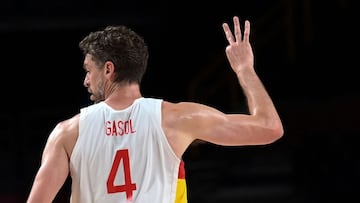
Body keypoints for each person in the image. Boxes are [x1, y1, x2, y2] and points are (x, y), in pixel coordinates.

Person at [26, 16, 283, 203]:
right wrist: (244, 70)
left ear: (108, 69)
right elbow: (269, 128)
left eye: (88, 70)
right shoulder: (177, 119)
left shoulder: (68, 132)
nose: (85, 80)